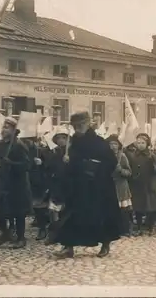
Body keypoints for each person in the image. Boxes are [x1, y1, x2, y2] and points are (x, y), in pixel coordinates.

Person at [54, 111, 125, 259]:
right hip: (79, 186)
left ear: (88, 124)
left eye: (80, 125)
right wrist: (67, 161)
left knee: (102, 215)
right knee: (72, 215)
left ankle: (105, 244)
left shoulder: (100, 142)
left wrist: (94, 167)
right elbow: (71, 165)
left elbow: (111, 163)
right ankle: (68, 246)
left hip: (98, 186)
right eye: (75, 126)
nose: (77, 129)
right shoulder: (72, 143)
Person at [0, 117, 32, 249]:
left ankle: (21, 238)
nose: (4, 129)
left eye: (7, 127)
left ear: (14, 130)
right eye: (3, 126)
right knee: (1, 211)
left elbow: (27, 165)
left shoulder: (19, 145)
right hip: (4, 183)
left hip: (18, 184)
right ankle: (5, 234)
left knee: (18, 212)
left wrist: (11, 163)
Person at [126, 133, 156, 236]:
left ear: (147, 143)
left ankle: (151, 227)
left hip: (150, 184)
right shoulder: (133, 156)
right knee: (138, 207)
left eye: (143, 143)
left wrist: (152, 163)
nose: (140, 145)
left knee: (151, 207)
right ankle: (140, 227)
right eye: (138, 142)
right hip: (138, 184)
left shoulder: (152, 155)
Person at [44, 126, 70, 245]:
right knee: (53, 212)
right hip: (56, 186)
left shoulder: (72, 153)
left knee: (65, 214)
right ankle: (53, 235)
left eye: (63, 138)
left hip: (68, 187)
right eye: (58, 138)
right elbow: (49, 168)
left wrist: (69, 162)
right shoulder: (55, 153)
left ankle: (64, 236)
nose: (61, 140)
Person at [106, 134, 133, 236]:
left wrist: (120, 170)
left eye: (115, 144)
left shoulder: (122, 156)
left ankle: (125, 230)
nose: (113, 146)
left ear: (119, 145)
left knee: (123, 211)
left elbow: (129, 172)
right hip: (110, 186)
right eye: (111, 144)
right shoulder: (105, 156)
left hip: (121, 187)